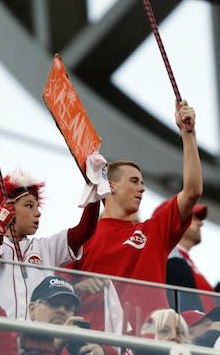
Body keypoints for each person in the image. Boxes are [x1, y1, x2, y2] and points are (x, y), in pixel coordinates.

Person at [66, 101, 202, 331]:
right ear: (111, 186)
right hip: (101, 344)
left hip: (151, 341)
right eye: (134, 181)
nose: (142, 188)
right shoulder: (81, 238)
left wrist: (188, 135)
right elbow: (59, 292)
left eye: (143, 183)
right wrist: (82, 286)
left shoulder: (154, 230)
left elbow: (192, 191)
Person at [0, 169, 101, 320]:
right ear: (5, 209)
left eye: (37, 206)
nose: (38, 213)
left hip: (34, 337)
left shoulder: (45, 247)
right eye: (29, 206)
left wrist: (94, 186)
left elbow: (85, 231)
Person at [18, 275, 118, 355]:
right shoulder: (18, 339)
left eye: (68, 307)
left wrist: (102, 352)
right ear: (32, 310)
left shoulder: (79, 344)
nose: (62, 310)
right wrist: (55, 345)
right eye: (54, 303)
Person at [154, 201, 216, 312]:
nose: (200, 223)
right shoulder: (167, 258)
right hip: (195, 326)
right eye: (193, 217)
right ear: (173, 221)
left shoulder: (185, 260)